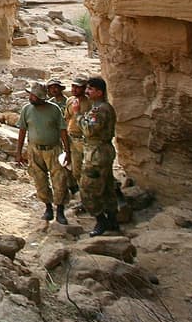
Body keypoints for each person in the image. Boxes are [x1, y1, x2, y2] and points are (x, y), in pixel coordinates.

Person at [15, 82, 71, 224]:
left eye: (33, 96)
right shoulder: (26, 110)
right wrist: (19, 152)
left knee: (60, 180)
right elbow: (22, 131)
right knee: (39, 180)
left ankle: (60, 210)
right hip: (34, 150)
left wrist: (68, 151)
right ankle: (48, 208)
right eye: (30, 95)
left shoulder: (54, 110)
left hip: (54, 149)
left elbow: (63, 131)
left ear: (41, 98)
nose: (30, 97)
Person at [78, 75, 120, 235]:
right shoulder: (99, 107)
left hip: (97, 154)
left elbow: (89, 129)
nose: (87, 91)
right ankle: (113, 221)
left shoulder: (101, 109)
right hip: (101, 151)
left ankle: (101, 221)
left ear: (99, 92)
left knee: (88, 189)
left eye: (90, 89)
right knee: (108, 186)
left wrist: (78, 115)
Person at [64, 77, 91, 194]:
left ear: (84, 89)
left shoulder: (90, 103)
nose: (74, 89)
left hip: (85, 140)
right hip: (72, 139)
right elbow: (67, 118)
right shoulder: (70, 100)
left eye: (78, 87)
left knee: (91, 169)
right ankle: (84, 193)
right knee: (76, 170)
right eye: (73, 86)